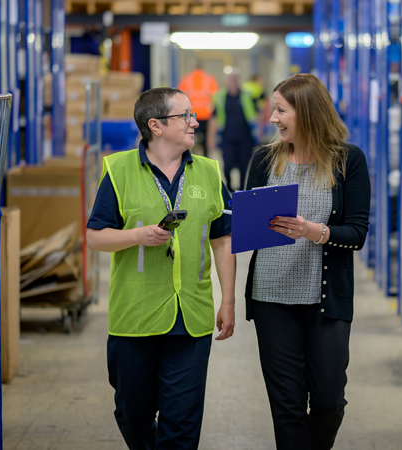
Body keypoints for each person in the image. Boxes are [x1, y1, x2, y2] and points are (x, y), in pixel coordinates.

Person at [86, 87, 236, 450]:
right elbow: (95, 237)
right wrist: (136, 235)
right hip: (135, 315)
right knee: (132, 413)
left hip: (191, 316)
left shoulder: (208, 172)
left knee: (182, 420)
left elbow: (223, 239)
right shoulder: (119, 170)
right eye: (184, 115)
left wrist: (227, 300)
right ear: (155, 125)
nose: (194, 121)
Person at [244, 73, 371, 450]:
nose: (273, 118)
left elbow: (357, 233)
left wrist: (313, 231)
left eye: (281, 110)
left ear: (308, 112)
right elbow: (248, 226)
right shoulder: (265, 159)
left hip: (325, 303)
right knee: (287, 405)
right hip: (271, 298)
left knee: (329, 401)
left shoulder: (349, 161)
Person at [208, 72, 257, 192]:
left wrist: (258, 135)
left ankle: (240, 190)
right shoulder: (220, 97)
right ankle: (229, 185)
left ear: (238, 80)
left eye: (234, 79)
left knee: (244, 166)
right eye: (230, 79)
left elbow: (256, 116)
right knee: (228, 165)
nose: (232, 81)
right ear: (226, 81)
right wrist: (211, 138)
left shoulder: (246, 96)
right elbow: (213, 119)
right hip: (227, 138)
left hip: (245, 138)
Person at [178, 63, 219, 158]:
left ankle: (190, 157)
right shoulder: (209, 79)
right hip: (206, 114)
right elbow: (215, 96)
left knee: (190, 137)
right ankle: (205, 157)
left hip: (191, 115)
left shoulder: (187, 78)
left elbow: (179, 96)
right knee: (205, 139)